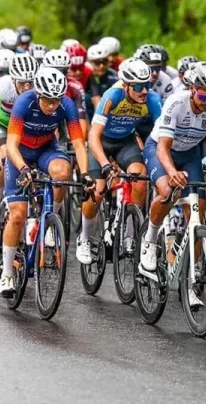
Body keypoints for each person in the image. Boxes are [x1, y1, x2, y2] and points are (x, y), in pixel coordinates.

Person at [140, 61, 206, 308]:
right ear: (193, 88)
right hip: (161, 150)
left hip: (189, 153)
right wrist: (172, 172)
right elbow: (163, 147)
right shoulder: (176, 102)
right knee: (167, 191)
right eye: (204, 95)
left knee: (198, 211)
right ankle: (150, 242)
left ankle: (190, 278)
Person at [0, 66, 93, 297]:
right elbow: (10, 145)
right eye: (48, 101)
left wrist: (86, 173)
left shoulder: (66, 104)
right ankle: (7, 273)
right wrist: (22, 168)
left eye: (56, 101)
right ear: (38, 94)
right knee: (18, 214)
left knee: (62, 172)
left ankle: (51, 218)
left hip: (45, 150)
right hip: (19, 153)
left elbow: (79, 143)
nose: (52, 106)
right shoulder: (24, 102)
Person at [78, 59, 160, 264]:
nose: (144, 91)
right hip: (102, 142)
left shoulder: (152, 99)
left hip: (126, 142)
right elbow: (93, 136)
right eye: (139, 86)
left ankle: (129, 236)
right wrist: (105, 164)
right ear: (126, 86)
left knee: (140, 180)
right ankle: (85, 238)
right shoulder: (112, 96)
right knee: (97, 191)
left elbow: (162, 133)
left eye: (147, 85)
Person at [0, 53, 38, 229]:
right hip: (3, 126)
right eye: (22, 83)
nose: (27, 87)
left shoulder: (38, 87)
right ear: (13, 79)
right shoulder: (1, 86)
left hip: (25, 127)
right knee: (6, 155)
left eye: (30, 82)